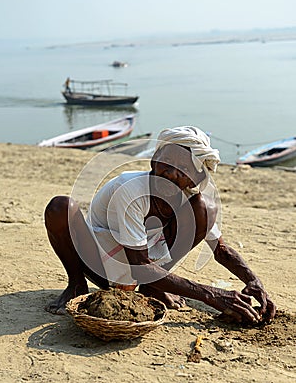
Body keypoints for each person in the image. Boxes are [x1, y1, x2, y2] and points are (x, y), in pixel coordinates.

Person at [44, 126, 276, 324]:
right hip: (99, 263)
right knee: (60, 207)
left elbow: (221, 251)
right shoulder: (131, 188)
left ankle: (153, 286)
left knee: (205, 209)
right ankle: (76, 284)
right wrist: (212, 295)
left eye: (183, 169)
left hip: (142, 271)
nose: (171, 174)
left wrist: (253, 280)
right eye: (167, 162)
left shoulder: (190, 199)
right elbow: (140, 266)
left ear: (196, 177)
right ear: (155, 161)